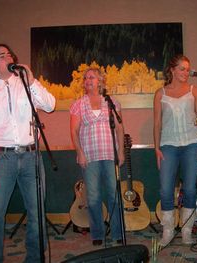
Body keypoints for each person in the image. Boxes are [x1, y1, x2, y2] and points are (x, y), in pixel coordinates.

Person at [0, 43, 56, 262]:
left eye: (10, 54)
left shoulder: (26, 85)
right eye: (2, 55)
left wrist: (32, 80)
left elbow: (50, 105)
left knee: (37, 215)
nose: (8, 57)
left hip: (31, 157)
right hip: (1, 159)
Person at [153, 54, 197, 246]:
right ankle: (168, 230)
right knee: (166, 189)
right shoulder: (160, 93)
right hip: (168, 145)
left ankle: (186, 230)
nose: (186, 72)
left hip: (192, 143)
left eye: (187, 69)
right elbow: (157, 123)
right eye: (182, 68)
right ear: (172, 70)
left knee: (190, 188)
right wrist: (156, 148)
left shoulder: (195, 91)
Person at [70, 68, 125, 246]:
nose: (87, 80)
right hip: (90, 157)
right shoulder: (78, 104)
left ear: (100, 80)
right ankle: (97, 234)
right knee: (93, 197)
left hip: (110, 155)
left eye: (91, 77)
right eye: (85, 78)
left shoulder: (111, 102)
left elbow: (119, 129)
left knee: (113, 195)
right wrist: (79, 152)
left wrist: (121, 152)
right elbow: (74, 131)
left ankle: (117, 233)